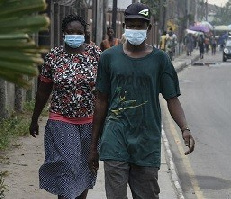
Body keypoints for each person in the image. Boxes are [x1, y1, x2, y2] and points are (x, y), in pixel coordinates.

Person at [88, 2, 195, 199]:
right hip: (115, 138)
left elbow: (172, 99)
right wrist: (94, 146)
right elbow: (101, 101)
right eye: (131, 25)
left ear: (149, 28)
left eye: (140, 25)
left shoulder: (160, 59)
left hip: (146, 141)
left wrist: (184, 128)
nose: (135, 29)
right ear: (124, 27)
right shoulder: (108, 57)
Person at [29, 14, 101, 199]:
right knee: (68, 165)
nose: (75, 35)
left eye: (79, 32)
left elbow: (105, 90)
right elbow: (43, 91)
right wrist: (34, 118)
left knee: (85, 167)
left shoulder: (96, 56)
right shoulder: (54, 56)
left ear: (85, 34)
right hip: (61, 120)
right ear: (63, 33)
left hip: (89, 122)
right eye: (70, 32)